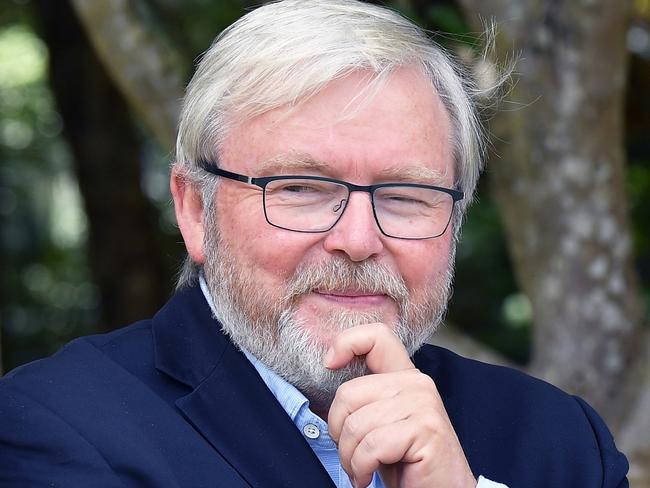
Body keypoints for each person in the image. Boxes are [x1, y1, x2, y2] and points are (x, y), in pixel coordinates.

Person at [0, 1, 628, 487]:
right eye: (300, 188)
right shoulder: (58, 430)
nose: (358, 240)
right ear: (195, 209)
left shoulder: (560, 443)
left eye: (407, 194)